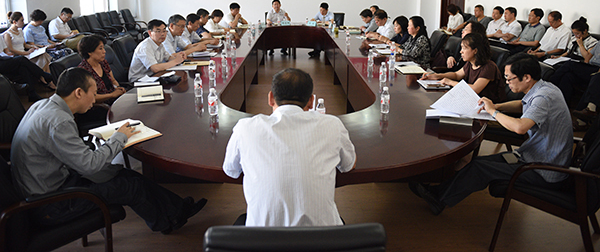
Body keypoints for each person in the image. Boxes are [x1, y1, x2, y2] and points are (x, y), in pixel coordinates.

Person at [10, 67, 207, 233]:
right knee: (130, 187)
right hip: (51, 203)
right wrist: (119, 137)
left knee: (122, 173)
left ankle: (177, 210)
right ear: (78, 92)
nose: (95, 99)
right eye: (93, 93)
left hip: (49, 183)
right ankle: (166, 223)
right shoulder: (58, 121)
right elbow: (90, 166)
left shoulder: (43, 105)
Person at [410, 53, 572, 215]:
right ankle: (438, 192)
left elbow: (520, 128)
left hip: (543, 170)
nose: (507, 83)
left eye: (509, 79)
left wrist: (493, 112)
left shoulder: (543, 97)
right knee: (478, 163)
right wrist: (497, 106)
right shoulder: (545, 88)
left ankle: (439, 199)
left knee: (480, 168)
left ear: (527, 77)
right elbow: (522, 104)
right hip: (532, 156)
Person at [223, 68, 356, 226]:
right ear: (311, 101)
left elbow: (231, 170)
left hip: (261, 238)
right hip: (323, 237)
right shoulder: (332, 125)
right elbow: (349, 165)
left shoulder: (245, 128)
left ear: (270, 98)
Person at [422, 33, 506, 102]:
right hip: (472, 101)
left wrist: (450, 82)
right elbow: (456, 75)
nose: (461, 51)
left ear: (475, 51)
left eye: (464, 48)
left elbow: (474, 89)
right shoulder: (470, 63)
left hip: (489, 107)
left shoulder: (489, 67)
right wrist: (437, 76)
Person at [550, 42, 600, 129]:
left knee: (570, 64)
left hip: (597, 71)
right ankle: (561, 106)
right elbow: (587, 58)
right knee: (568, 76)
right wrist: (580, 44)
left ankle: (549, 85)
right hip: (592, 67)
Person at [0, 34, 55, 101]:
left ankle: (32, 94)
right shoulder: (6, 34)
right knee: (21, 59)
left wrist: (9, 54)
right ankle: (44, 75)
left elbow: (6, 50)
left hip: (4, 58)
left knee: (23, 67)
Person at [77, 35, 126, 104]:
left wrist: (117, 88)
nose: (104, 51)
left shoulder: (103, 62)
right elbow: (90, 97)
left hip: (114, 100)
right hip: (102, 106)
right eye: (100, 49)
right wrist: (111, 95)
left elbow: (113, 81)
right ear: (89, 52)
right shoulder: (83, 71)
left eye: (103, 48)